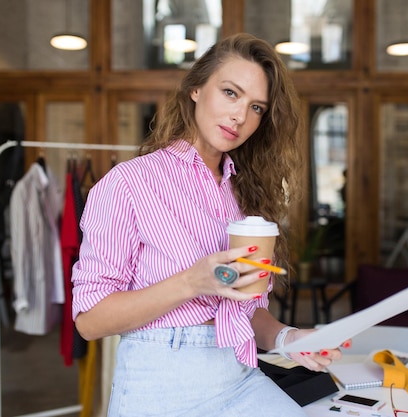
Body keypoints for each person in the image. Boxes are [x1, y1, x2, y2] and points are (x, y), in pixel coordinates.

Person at [71, 33, 347, 416]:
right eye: (230, 93)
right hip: (158, 384)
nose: (240, 116)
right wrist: (191, 282)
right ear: (196, 89)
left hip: (237, 375)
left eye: (256, 108)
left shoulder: (242, 194)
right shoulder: (128, 184)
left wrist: (288, 338)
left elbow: (243, 311)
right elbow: (89, 321)